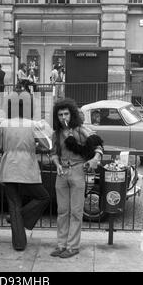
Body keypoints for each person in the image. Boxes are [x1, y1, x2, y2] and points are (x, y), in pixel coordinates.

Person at [0, 97, 51, 251]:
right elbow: (46, 145)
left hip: (9, 167)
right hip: (28, 167)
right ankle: (20, 216)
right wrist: (35, 145)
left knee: (13, 204)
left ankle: (19, 243)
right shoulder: (32, 125)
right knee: (43, 197)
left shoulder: (5, 124)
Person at [50, 98, 103, 258]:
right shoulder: (56, 133)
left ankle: (73, 247)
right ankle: (61, 245)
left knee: (76, 211)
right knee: (62, 211)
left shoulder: (81, 130)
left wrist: (95, 159)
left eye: (66, 113)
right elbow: (53, 153)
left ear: (71, 114)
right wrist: (57, 164)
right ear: (57, 116)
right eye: (60, 114)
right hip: (62, 173)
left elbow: (98, 146)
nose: (63, 117)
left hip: (78, 171)